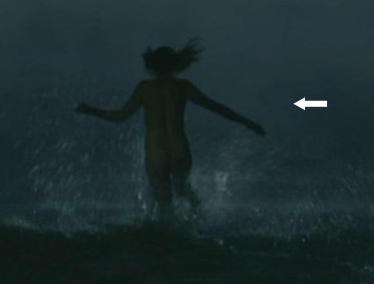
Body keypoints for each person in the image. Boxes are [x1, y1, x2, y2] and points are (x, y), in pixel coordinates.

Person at [75, 40, 265, 222]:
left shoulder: (145, 88)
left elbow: (121, 116)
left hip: (156, 149)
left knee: (164, 202)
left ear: (152, 65)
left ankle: (166, 234)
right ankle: (198, 216)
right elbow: (215, 107)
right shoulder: (183, 87)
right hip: (178, 147)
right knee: (181, 188)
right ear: (176, 64)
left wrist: (92, 111)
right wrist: (247, 122)